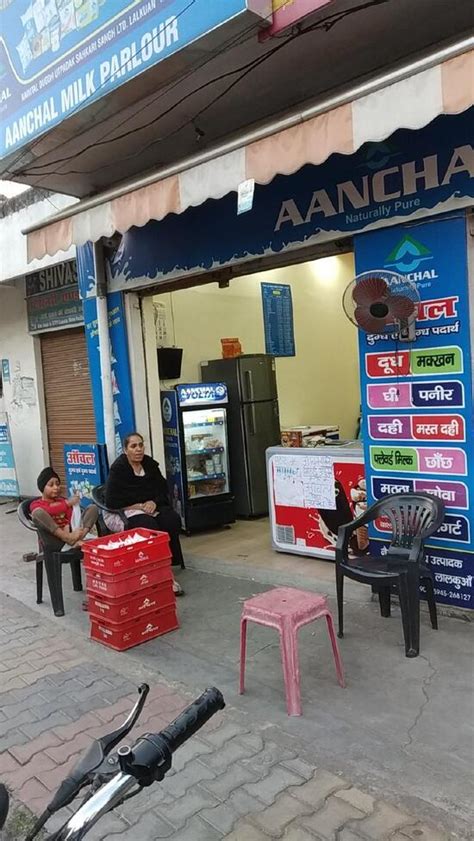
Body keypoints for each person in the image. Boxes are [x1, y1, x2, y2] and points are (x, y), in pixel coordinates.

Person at [104, 433, 185, 595]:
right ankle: (162, 574)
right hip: (126, 509)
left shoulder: (149, 465)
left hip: (150, 506)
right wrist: (139, 506)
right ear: (126, 450)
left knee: (171, 520)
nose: (138, 449)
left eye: (141, 445)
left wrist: (153, 502)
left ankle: (167, 562)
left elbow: (163, 489)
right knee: (149, 527)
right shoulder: (119, 469)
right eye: (133, 446)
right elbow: (112, 501)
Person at [31, 467, 98, 550]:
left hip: (72, 533)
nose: (56, 487)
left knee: (93, 508)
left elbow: (71, 519)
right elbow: (49, 510)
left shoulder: (62, 501)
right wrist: (68, 503)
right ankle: (68, 538)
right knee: (38, 513)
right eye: (51, 485)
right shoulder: (36, 504)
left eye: (57, 484)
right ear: (42, 488)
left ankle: (79, 537)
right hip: (54, 539)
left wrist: (75, 508)